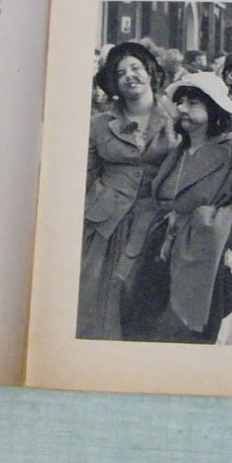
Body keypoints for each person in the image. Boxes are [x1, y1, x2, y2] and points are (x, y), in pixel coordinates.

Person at [116, 73, 232, 343]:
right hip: (161, 254)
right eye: (180, 102)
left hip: (208, 262)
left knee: (193, 338)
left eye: (192, 103)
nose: (181, 109)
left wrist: (219, 229)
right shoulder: (177, 151)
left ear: (214, 109)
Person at [78, 42, 178, 341]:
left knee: (141, 299)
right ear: (114, 84)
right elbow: (84, 174)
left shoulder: (177, 118)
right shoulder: (99, 124)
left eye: (136, 68)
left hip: (155, 222)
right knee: (94, 295)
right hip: (104, 224)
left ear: (150, 72)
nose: (129, 76)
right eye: (121, 73)